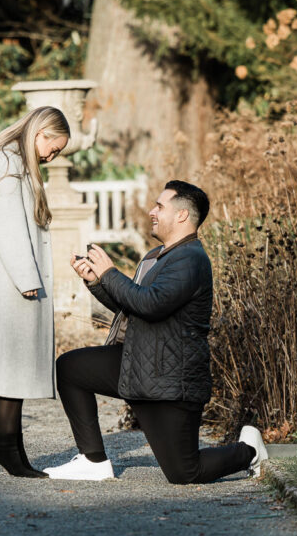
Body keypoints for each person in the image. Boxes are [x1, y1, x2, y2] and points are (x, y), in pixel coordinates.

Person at [43, 181, 269, 483]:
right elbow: (134, 308)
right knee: (71, 368)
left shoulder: (191, 259)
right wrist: (98, 281)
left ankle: (249, 451)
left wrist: (110, 273)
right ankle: (92, 460)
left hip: (172, 378)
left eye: (160, 207)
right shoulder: (155, 256)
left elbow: (151, 305)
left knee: (185, 472)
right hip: (138, 364)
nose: (152, 211)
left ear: (182, 216)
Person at [0, 106, 70, 478]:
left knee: (13, 371)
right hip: (11, 286)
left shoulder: (14, 164)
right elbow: (8, 229)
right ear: (40, 133)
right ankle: (6, 447)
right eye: (53, 148)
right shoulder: (6, 165)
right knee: (10, 369)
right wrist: (28, 280)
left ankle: (9, 445)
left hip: (14, 284)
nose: (52, 157)